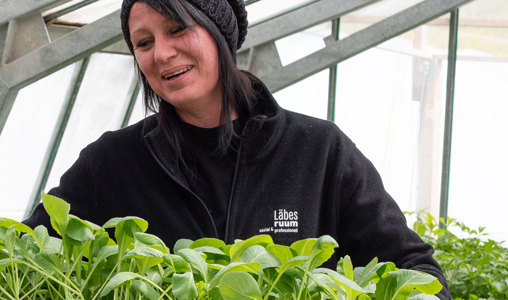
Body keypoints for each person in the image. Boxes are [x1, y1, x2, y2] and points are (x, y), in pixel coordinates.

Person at [23, 0, 450, 298]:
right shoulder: (112, 163)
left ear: (218, 34)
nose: (162, 54)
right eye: (143, 42)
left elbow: (417, 271)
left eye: (177, 29)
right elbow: (22, 255)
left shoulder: (319, 153)